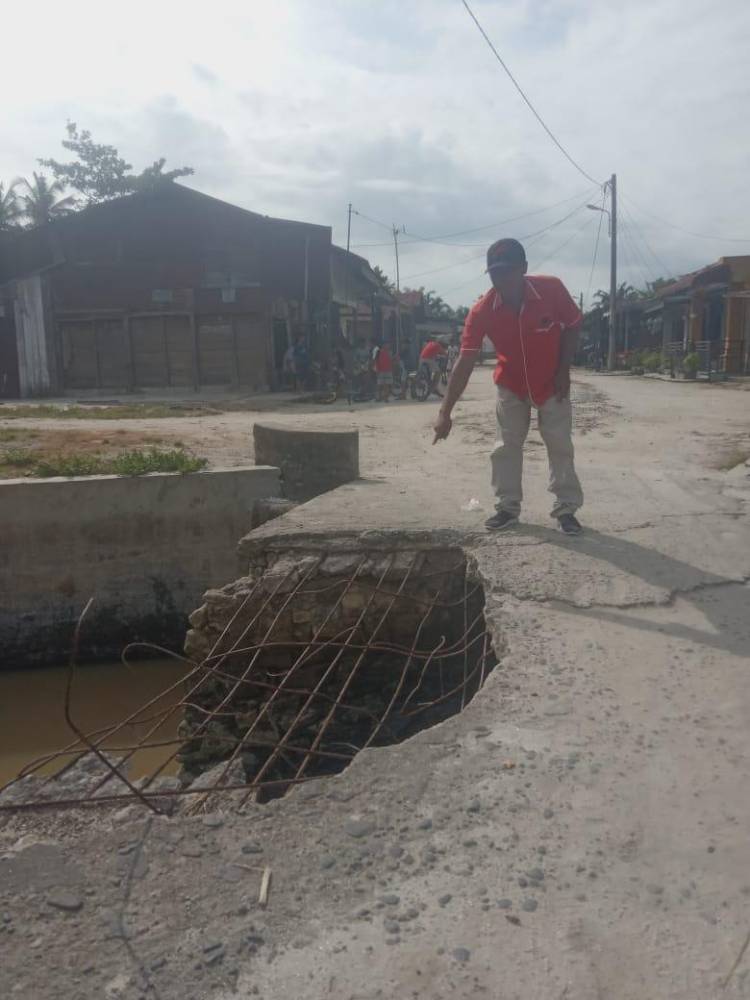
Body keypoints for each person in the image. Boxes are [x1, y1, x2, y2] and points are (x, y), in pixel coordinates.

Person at [432, 237, 584, 536]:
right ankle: (507, 508)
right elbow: (464, 362)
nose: (501, 279)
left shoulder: (551, 290)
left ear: (524, 269)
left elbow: (574, 324)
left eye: (508, 271)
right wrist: (445, 412)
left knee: (560, 445)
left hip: (551, 382)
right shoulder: (482, 310)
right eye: (495, 273)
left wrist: (564, 370)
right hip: (511, 385)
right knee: (505, 447)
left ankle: (566, 509)